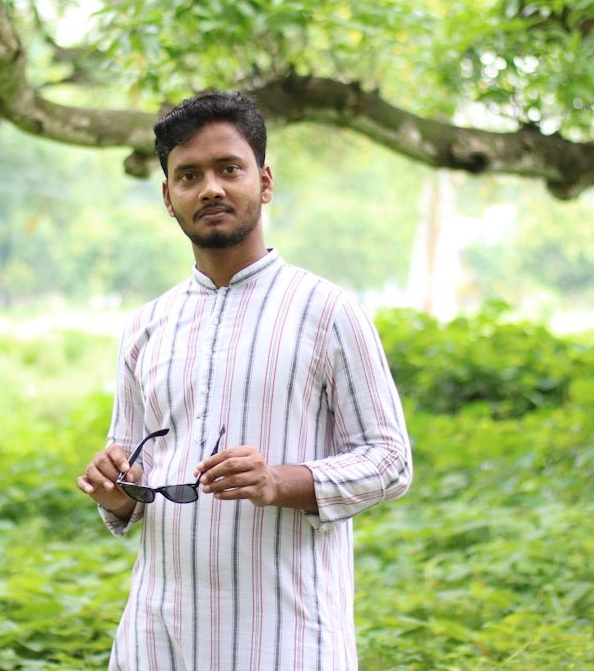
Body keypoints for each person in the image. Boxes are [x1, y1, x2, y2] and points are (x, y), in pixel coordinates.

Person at [76, 90, 413, 671]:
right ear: (168, 197)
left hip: (284, 634)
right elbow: (133, 468)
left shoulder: (327, 311)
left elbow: (390, 461)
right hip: (158, 636)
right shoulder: (147, 327)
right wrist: (115, 486)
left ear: (264, 181)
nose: (210, 188)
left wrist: (280, 480)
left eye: (228, 168)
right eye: (189, 175)